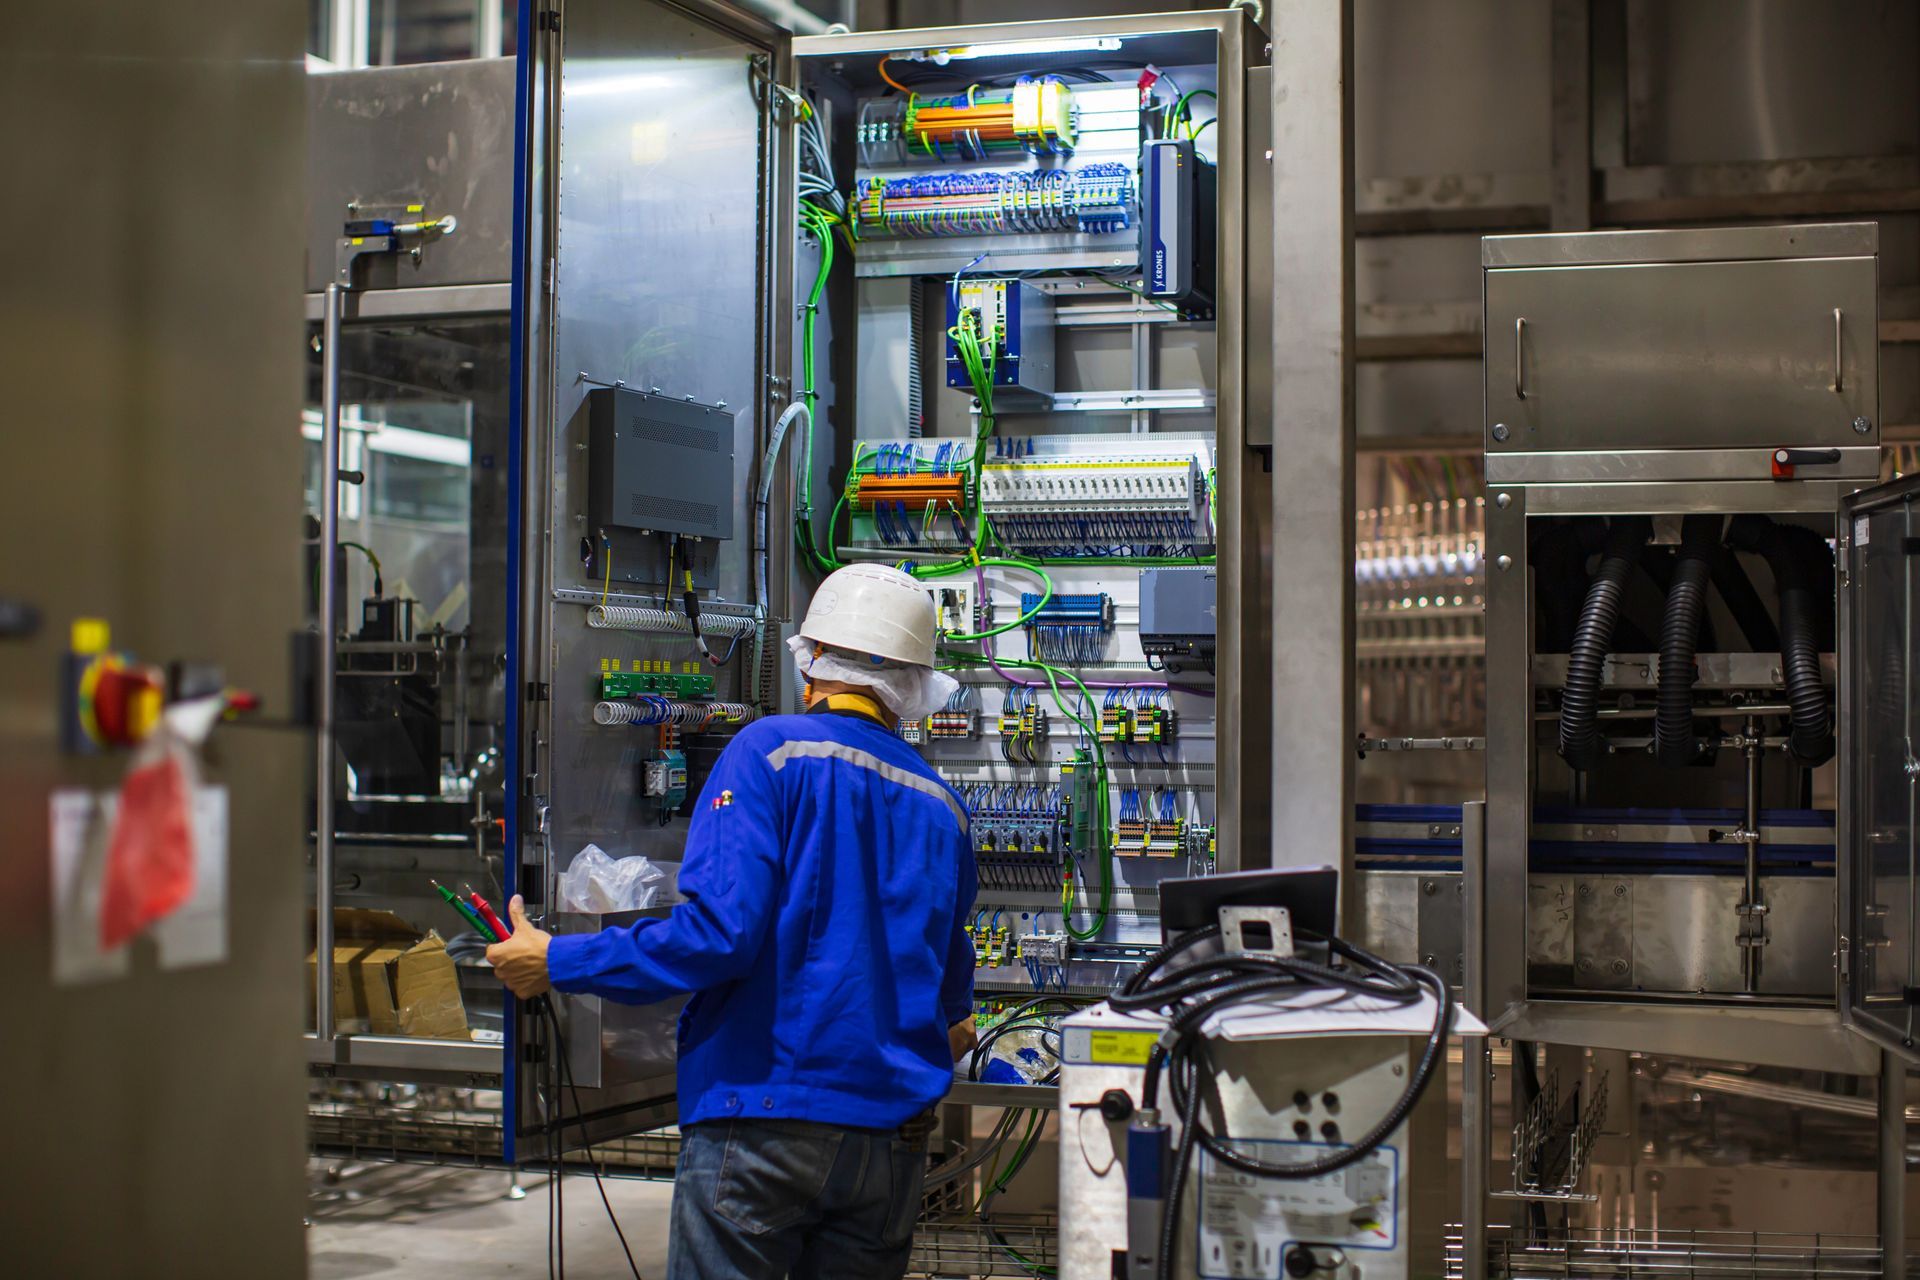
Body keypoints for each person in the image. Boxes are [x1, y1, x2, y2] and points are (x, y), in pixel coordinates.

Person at [487, 564, 978, 1280]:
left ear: (811, 665)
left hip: (765, 1116)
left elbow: (719, 936)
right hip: (891, 1143)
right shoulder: (944, 806)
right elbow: (953, 1004)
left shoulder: (768, 754)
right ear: (911, 691)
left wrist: (556, 960)